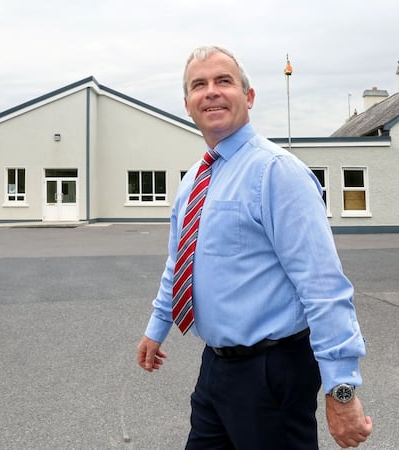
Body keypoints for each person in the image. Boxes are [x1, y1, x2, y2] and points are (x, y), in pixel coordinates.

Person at [137, 45, 372, 449]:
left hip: (272, 373)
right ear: (188, 105)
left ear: (248, 97)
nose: (211, 91)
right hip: (215, 368)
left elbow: (323, 286)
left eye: (223, 81)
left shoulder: (277, 173)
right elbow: (180, 262)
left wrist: (342, 390)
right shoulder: (194, 179)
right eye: (199, 85)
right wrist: (157, 328)